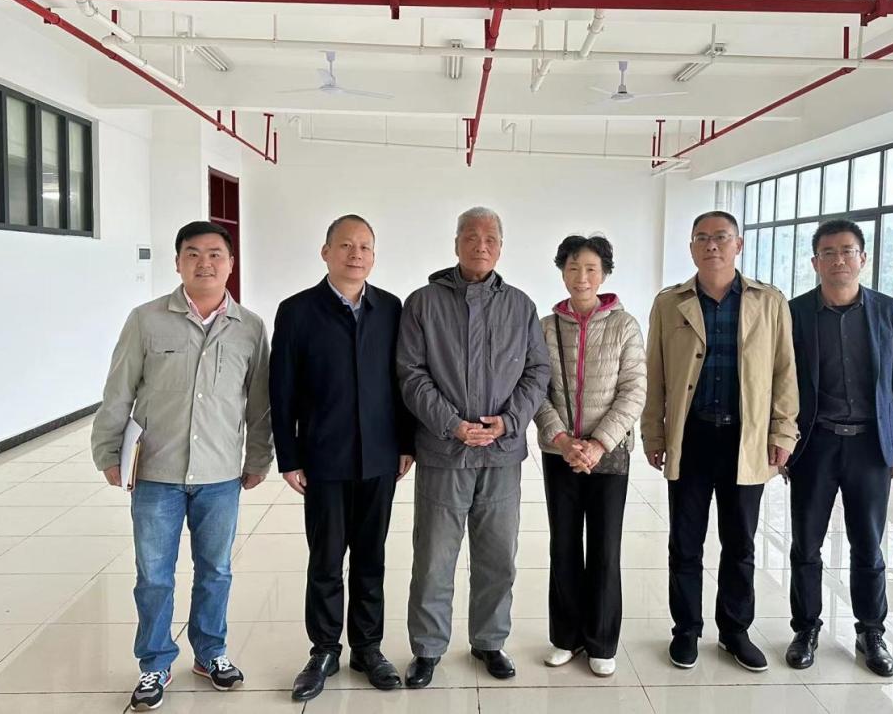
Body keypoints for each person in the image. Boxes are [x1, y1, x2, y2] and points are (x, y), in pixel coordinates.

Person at [91, 221, 273, 712]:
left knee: (216, 571)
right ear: (177, 263)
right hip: (157, 473)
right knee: (154, 575)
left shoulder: (251, 328)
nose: (204, 263)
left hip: (220, 475)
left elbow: (260, 404)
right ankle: (154, 661)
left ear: (231, 263)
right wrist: (108, 452)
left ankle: (211, 653)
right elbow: (118, 391)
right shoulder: (146, 320)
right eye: (193, 254)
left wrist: (259, 458)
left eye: (215, 254)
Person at [396, 206, 550, 687]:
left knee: (498, 556)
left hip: (502, 456)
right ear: (456, 242)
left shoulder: (521, 306)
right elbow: (410, 373)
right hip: (444, 453)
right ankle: (428, 648)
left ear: (501, 247)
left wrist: (509, 422)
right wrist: (452, 424)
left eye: (490, 238)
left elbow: (537, 371)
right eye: (471, 236)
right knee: (434, 558)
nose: (480, 245)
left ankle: (489, 640)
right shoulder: (423, 303)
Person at [641, 211, 799, 673]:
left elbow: (785, 372)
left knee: (740, 543)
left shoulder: (769, 302)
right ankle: (686, 630)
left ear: (739, 245)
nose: (712, 245)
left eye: (721, 238)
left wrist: (782, 431)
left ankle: (734, 631)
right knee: (685, 543)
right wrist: (653, 432)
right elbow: (656, 374)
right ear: (691, 247)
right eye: (702, 238)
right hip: (690, 437)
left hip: (745, 439)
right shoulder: (669, 303)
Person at [269, 214, 416, 702]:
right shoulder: (297, 311)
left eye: (365, 247)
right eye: (346, 245)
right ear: (326, 251)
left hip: (380, 456)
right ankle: (325, 649)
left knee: (371, 558)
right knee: (326, 559)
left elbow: (403, 382)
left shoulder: (390, 308)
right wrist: (288, 456)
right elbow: (281, 390)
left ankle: (368, 648)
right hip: (323, 459)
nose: (356, 254)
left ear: (374, 256)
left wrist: (407, 443)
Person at [784, 218, 893, 677]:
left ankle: (871, 632)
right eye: (828, 252)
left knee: (868, 544)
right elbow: (782, 381)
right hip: (813, 444)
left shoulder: (887, 311)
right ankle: (806, 628)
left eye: (846, 251)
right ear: (815, 261)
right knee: (806, 543)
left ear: (863, 258)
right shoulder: (796, 312)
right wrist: (781, 439)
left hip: (870, 446)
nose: (838, 260)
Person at [534, 235, 646, 677]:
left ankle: (601, 641)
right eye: (573, 267)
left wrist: (598, 444)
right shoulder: (545, 327)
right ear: (562, 271)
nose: (582, 277)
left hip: (609, 455)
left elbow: (633, 390)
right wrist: (562, 439)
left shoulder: (624, 326)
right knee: (563, 545)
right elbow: (535, 390)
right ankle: (565, 637)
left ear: (604, 275)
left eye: (591, 269)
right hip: (559, 452)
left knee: (604, 547)